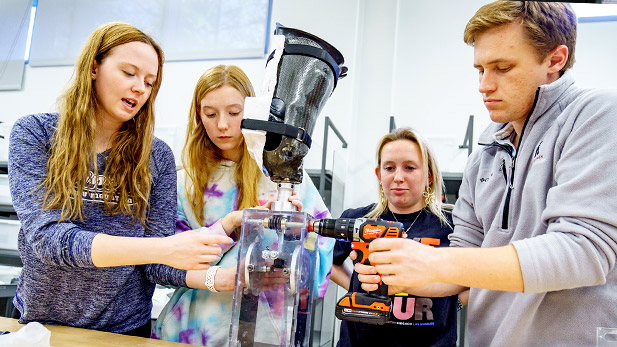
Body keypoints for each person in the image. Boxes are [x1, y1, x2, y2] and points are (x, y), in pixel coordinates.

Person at [355, 1, 617, 345]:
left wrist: (436, 262)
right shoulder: (486, 156)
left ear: (555, 60)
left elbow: (583, 251)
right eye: (480, 69)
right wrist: (401, 273)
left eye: (502, 67)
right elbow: (463, 268)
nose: (484, 84)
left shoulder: (595, 116)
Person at [7, 22, 232, 337]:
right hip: (41, 326)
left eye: (150, 82)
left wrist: (216, 276)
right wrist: (163, 248)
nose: (140, 87)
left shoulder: (157, 157)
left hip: (124, 330)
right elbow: (49, 240)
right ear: (95, 67)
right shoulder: (36, 134)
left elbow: (156, 264)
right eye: (129, 73)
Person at [152, 64, 334, 346]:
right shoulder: (184, 183)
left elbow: (317, 263)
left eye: (234, 113)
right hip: (192, 329)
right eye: (210, 114)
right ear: (198, 116)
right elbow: (164, 267)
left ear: (251, 114)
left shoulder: (284, 177)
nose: (222, 124)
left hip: (266, 331)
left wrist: (299, 231)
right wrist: (227, 227)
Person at [330, 128, 458, 347]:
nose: (398, 177)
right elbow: (327, 262)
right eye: (389, 168)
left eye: (409, 167)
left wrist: (448, 301)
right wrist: (359, 288)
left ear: (428, 175)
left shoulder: (452, 223)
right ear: (379, 175)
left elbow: (476, 278)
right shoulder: (356, 219)